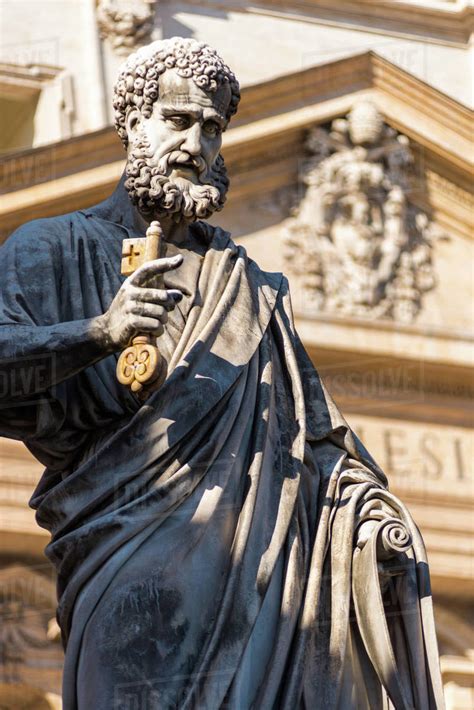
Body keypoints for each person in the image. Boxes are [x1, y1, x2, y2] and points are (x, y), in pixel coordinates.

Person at [0, 38, 444, 709]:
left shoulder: (248, 284)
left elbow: (314, 441)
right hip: (130, 568)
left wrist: (366, 516)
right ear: (132, 123)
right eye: (177, 121)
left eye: (213, 127)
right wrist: (100, 333)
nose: (197, 143)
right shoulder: (52, 247)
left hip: (270, 582)